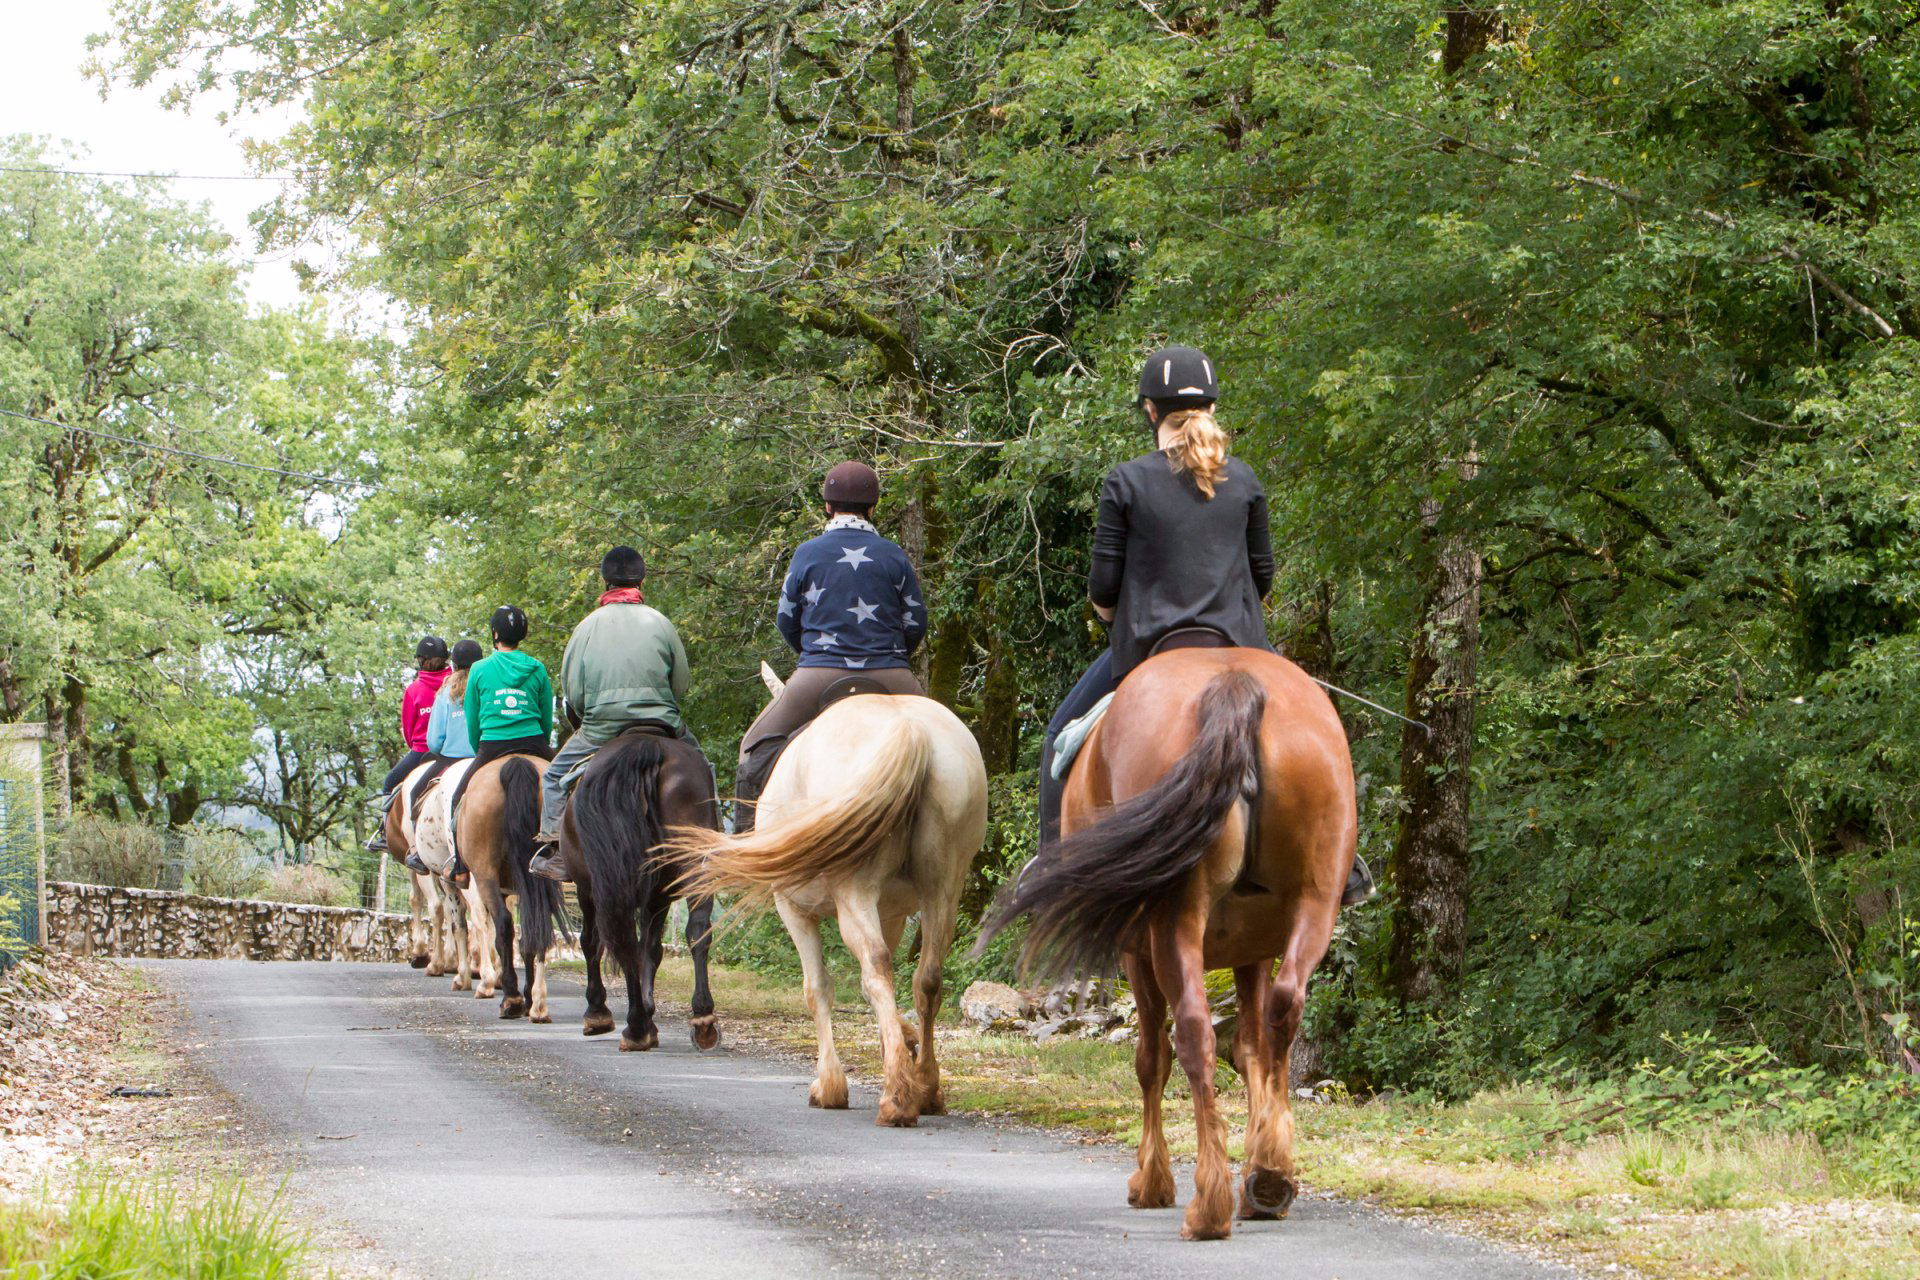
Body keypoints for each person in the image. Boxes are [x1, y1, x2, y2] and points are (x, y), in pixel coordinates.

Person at [1037, 345, 1370, 903]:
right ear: (1213, 406)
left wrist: (1116, 618)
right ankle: (1345, 861)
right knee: (1317, 734)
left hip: (1151, 652)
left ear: (1150, 411)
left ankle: (1051, 869)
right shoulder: (1244, 481)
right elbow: (1262, 576)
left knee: (1058, 738)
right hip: (1242, 645)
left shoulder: (1126, 481)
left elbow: (1102, 588)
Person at [733, 461, 927, 831]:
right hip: (891, 673)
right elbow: (916, 622)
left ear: (827, 505)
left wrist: (813, 656)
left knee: (753, 746)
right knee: (948, 740)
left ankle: (745, 844)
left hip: (819, 674)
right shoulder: (893, 554)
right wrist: (894, 657)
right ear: (873, 507)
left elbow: (786, 619)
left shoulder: (807, 554)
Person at [528, 546, 695, 881]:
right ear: (641, 579)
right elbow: (681, 684)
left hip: (603, 727)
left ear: (604, 582)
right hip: (661, 722)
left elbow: (573, 692)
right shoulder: (660, 622)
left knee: (555, 779)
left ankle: (557, 850)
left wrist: (591, 713)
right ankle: (710, 846)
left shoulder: (586, 627)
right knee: (701, 765)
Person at [441, 605, 555, 886]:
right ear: (522, 635)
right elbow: (546, 717)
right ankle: (565, 852)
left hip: (492, 745)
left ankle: (459, 864)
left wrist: (479, 746)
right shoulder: (537, 668)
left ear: (494, 634)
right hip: (534, 742)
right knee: (569, 788)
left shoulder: (479, 669)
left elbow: (473, 719)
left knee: (458, 798)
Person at [398, 638, 483, 875]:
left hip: (450, 759)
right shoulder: (486, 688)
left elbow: (434, 740)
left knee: (415, 794)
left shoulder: (445, 692)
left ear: (453, 665)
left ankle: (417, 851)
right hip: (483, 757)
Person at [380, 636, 450, 794]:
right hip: (453, 750)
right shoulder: (457, 684)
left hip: (422, 751)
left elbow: (408, 731)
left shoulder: (413, 690)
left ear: (421, 660)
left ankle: (384, 819)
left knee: (389, 783)